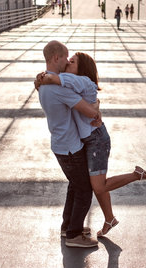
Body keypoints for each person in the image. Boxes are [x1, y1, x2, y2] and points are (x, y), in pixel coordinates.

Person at [35, 52, 146, 237]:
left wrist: (45, 77)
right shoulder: (74, 82)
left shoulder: (79, 80)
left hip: (96, 139)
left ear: (82, 68)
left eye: (72, 61)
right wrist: (42, 79)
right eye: (67, 60)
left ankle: (136, 174)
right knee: (95, 182)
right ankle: (109, 219)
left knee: (98, 186)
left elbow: (58, 80)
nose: (68, 62)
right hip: (89, 139)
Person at [37, 41, 103, 248]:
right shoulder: (57, 89)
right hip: (70, 147)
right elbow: (88, 111)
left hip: (60, 143)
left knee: (75, 186)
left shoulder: (44, 85)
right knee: (84, 190)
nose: (67, 62)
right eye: (66, 58)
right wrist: (96, 113)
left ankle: (69, 226)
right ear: (56, 58)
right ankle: (74, 234)